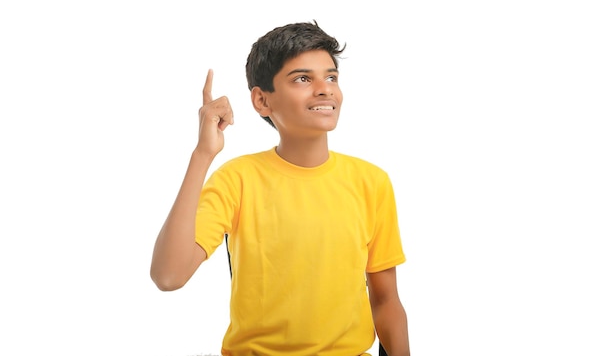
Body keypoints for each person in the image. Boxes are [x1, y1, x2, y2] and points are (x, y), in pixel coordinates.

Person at [150, 21, 410, 356]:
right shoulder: (237, 180)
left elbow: (387, 301)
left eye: (331, 77)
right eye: (303, 78)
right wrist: (203, 154)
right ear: (261, 100)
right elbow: (169, 275)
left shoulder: (372, 182)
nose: (324, 88)